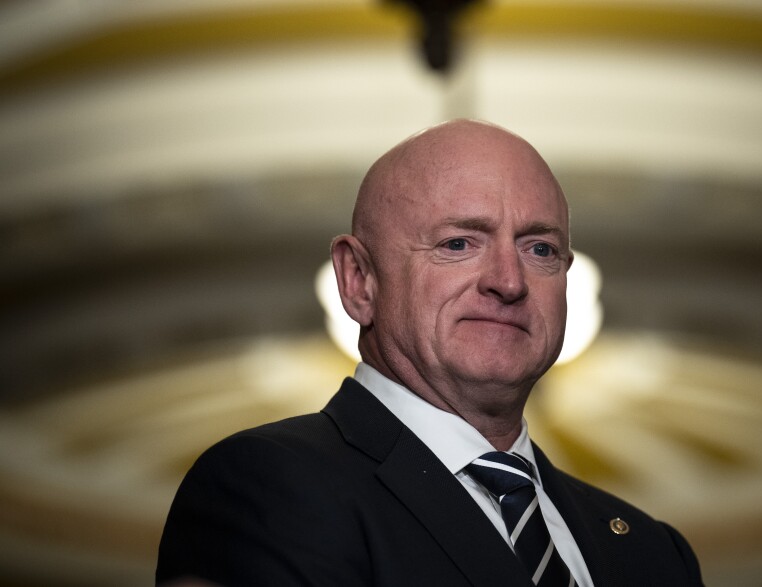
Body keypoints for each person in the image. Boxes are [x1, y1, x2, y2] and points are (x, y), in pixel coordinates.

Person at [156, 120, 703, 586]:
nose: (509, 281)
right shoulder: (271, 485)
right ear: (359, 280)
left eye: (540, 249)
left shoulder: (654, 552)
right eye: (458, 244)